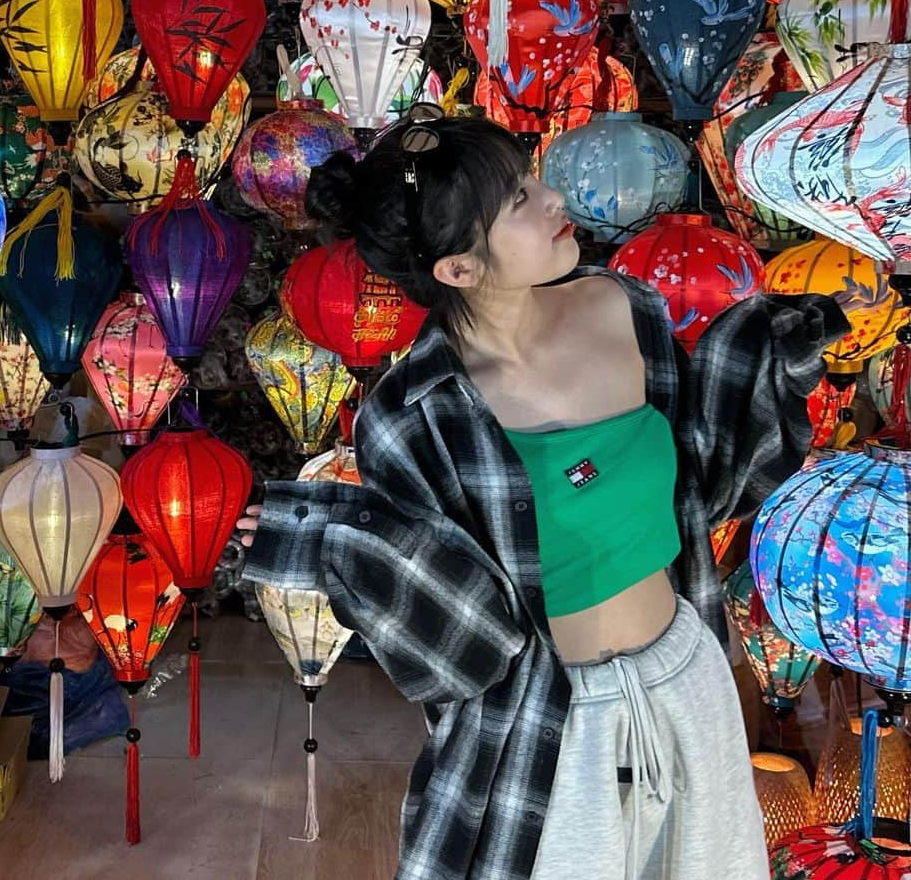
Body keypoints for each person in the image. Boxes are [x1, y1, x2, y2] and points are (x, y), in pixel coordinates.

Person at [238, 109, 851, 880]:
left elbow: (702, 477)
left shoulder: (622, 306)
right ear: (458, 269)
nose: (553, 198)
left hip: (686, 677)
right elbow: (465, 637)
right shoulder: (414, 414)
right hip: (550, 730)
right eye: (519, 202)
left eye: (532, 177)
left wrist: (776, 345)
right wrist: (339, 537)